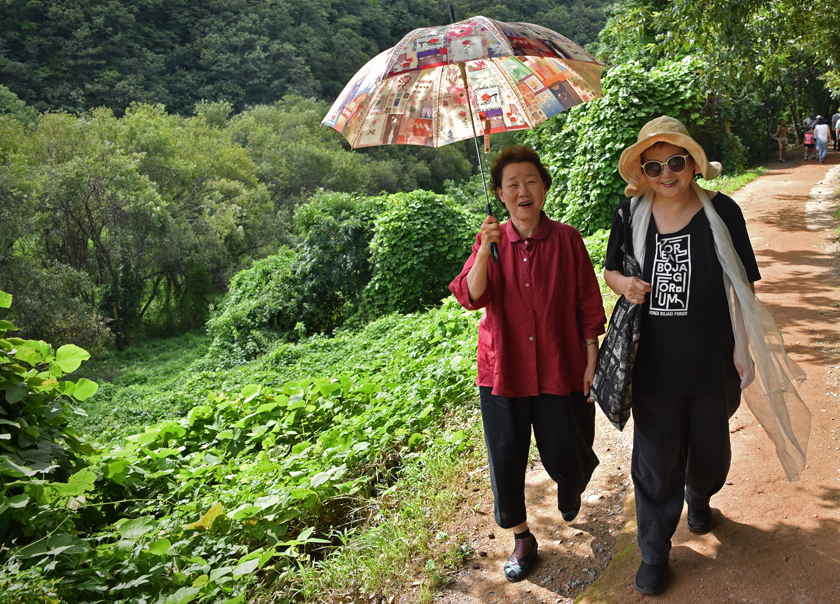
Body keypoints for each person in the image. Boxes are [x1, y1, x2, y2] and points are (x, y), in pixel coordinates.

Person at [602, 116, 762, 595]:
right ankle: (654, 551)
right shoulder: (629, 215)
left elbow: (740, 286)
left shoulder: (723, 211)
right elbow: (611, 269)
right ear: (642, 173)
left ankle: (700, 493)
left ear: (692, 163)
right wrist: (624, 284)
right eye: (653, 166)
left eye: (676, 162)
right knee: (653, 459)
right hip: (651, 364)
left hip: (711, 358)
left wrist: (742, 346)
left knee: (710, 449)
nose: (666, 173)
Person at [449, 146, 607, 583]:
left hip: (559, 363)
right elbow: (471, 296)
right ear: (499, 194)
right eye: (512, 184)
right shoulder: (491, 242)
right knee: (506, 456)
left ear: (544, 187)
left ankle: (572, 480)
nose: (523, 190)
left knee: (567, 444)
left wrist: (591, 357)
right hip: (504, 370)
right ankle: (522, 537)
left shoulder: (567, 240)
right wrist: (484, 250)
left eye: (530, 181)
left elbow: (588, 304)